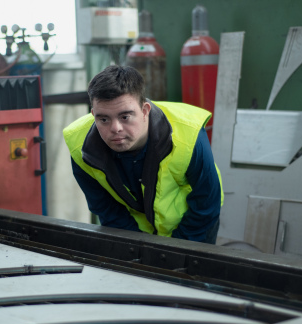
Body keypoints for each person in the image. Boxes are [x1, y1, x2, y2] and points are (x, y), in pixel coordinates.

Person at [63, 65, 223, 244]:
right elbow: (106, 209)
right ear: (93, 115)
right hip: (131, 231)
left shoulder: (188, 133)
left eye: (125, 117)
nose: (115, 128)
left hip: (192, 226)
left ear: (145, 110)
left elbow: (206, 200)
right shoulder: (81, 147)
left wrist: (178, 248)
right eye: (103, 119)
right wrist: (140, 249)